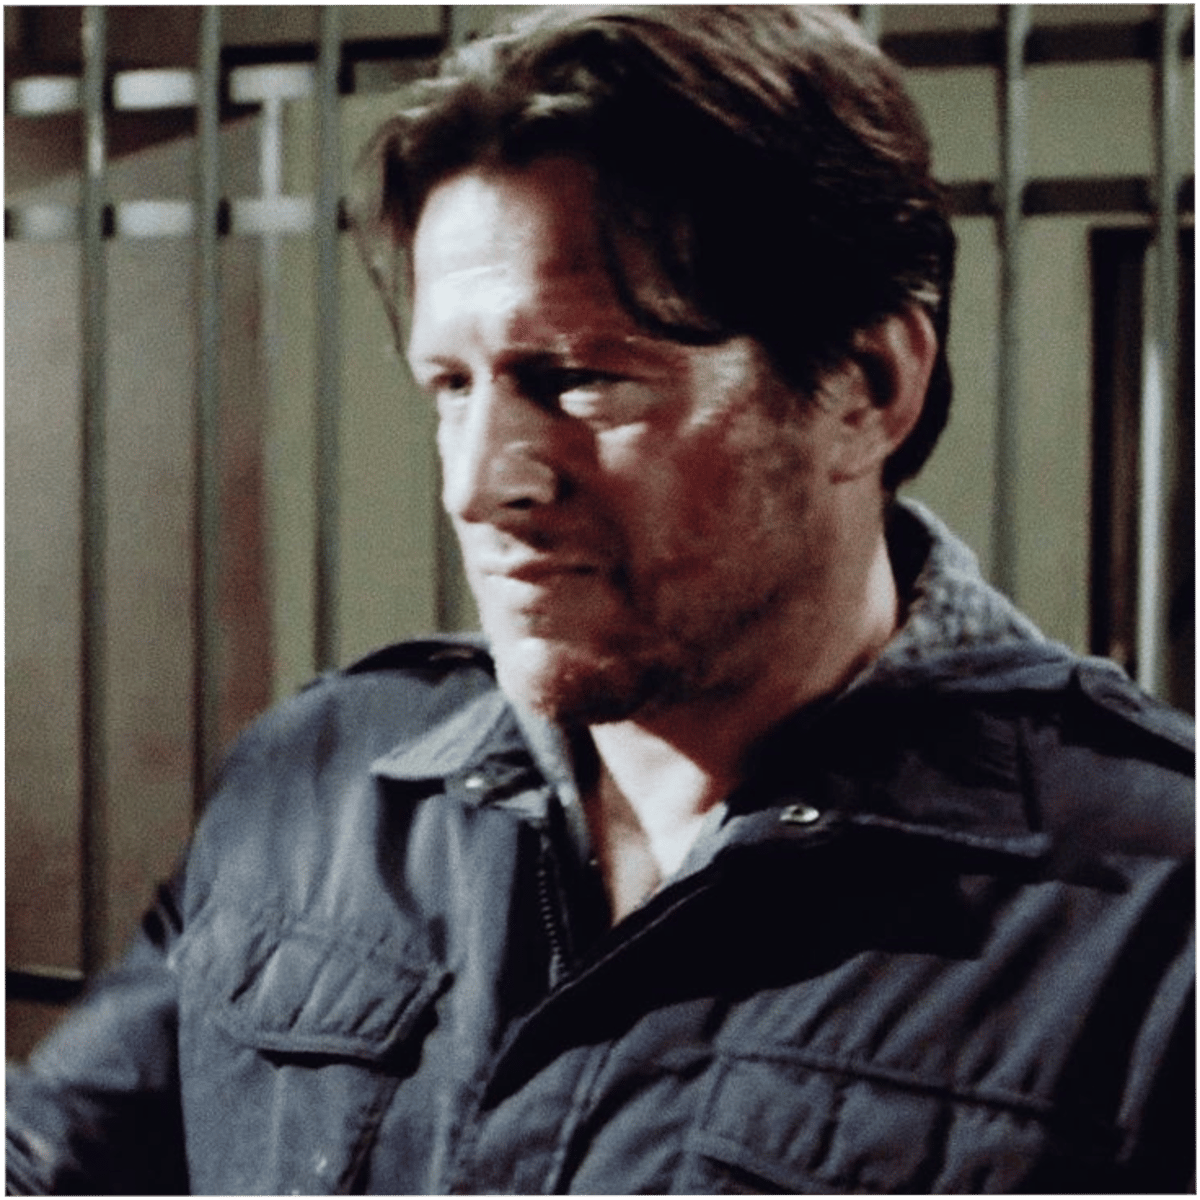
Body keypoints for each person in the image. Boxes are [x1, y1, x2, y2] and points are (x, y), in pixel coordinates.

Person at [5, 5, 1195, 1195]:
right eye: (450, 386)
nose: (480, 484)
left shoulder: (1152, 917)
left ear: (867, 386)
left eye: (577, 379)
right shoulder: (322, 784)